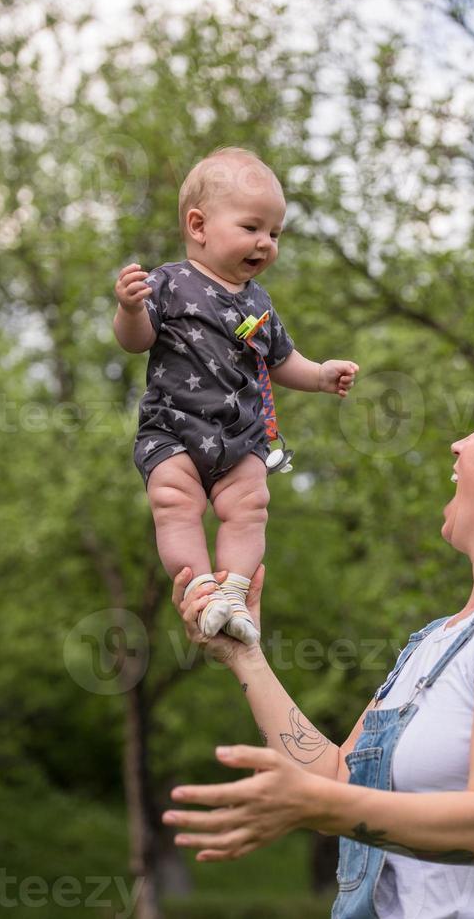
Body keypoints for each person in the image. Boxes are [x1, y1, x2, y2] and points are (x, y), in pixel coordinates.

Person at [163, 370, 474, 919]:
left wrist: (318, 806)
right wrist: (243, 655)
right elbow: (335, 777)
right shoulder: (438, 641)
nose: (458, 445)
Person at [113, 147, 359, 646]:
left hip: (238, 436)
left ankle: (233, 593)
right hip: (174, 430)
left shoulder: (259, 301)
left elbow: (281, 359)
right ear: (199, 226)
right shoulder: (170, 283)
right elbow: (136, 341)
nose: (265, 243)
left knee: (251, 505)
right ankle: (201, 588)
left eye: (274, 233)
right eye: (252, 228)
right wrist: (131, 310)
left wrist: (320, 375)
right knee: (173, 500)